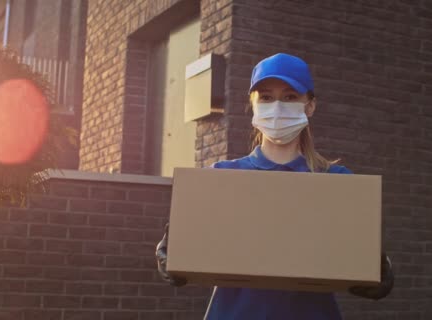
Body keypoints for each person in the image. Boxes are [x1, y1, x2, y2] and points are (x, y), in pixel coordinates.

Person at [156, 53, 394, 319]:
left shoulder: (337, 184)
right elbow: (195, 252)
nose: (277, 107)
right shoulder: (223, 178)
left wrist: (376, 267)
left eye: (290, 97)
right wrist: (173, 252)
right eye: (266, 97)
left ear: (310, 106)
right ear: (254, 105)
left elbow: (354, 260)